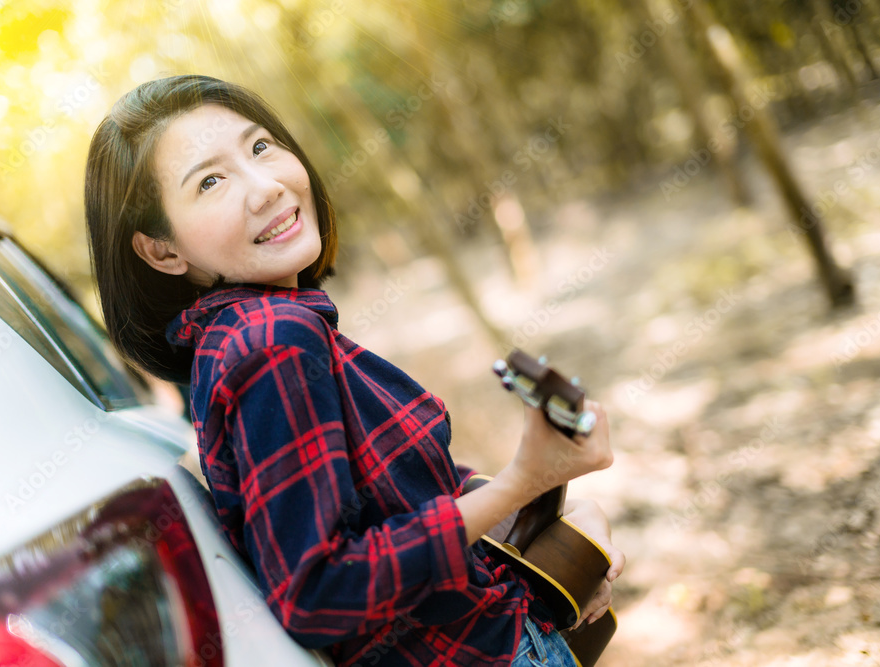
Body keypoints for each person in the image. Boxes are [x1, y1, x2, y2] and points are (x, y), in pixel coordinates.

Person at [83, 74, 624, 667]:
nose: (264, 187)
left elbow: (400, 502)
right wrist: (522, 481)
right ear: (162, 250)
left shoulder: (255, 333)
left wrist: (549, 509)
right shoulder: (271, 343)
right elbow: (317, 593)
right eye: (210, 181)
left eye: (260, 147)